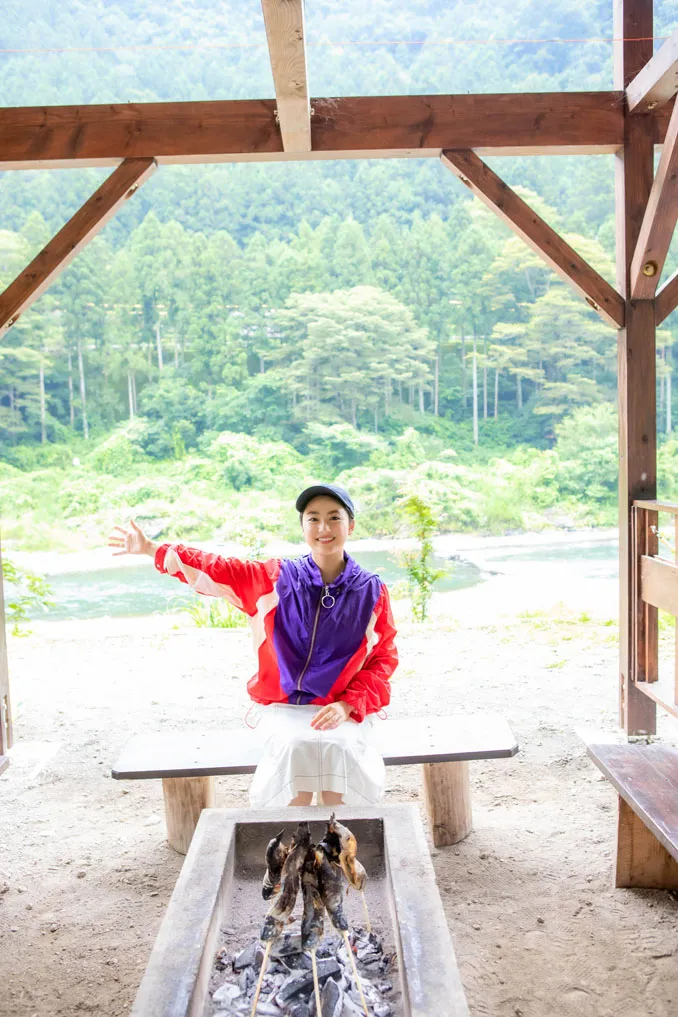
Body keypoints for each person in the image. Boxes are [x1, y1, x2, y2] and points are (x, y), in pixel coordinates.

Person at [108, 483, 398, 809]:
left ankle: (340, 846)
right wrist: (151, 549)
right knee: (293, 750)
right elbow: (217, 567)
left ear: (351, 525)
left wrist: (348, 705)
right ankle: (294, 846)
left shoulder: (371, 591)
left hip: (341, 707)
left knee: (341, 755)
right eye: (313, 519)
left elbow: (383, 659)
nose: (324, 528)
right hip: (283, 706)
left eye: (334, 518)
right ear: (303, 527)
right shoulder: (274, 579)